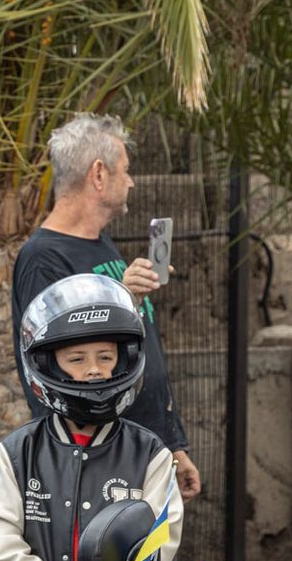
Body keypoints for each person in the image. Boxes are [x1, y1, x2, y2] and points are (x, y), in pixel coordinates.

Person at [0, 273, 182, 561]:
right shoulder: (17, 451)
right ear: (50, 364)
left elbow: (159, 540)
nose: (95, 371)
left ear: (124, 358)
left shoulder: (150, 453)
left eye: (105, 357)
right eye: (77, 360)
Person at [12, 113, 201, 500]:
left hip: (146, 450)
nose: (131, 182)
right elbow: (54, 364)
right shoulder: (42, 257)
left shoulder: (100, 242)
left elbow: (137, 351)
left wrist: (173, 444)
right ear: (99, 174)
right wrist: (121, 294)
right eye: (126, 170)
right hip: (100, 463)